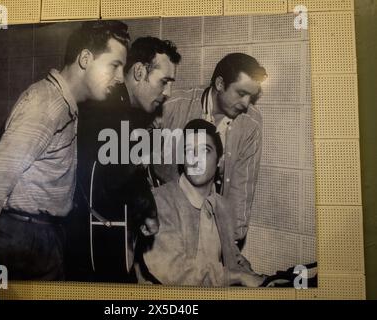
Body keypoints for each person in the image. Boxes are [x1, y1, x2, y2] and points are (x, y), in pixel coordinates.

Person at [0, 20, 130, 280]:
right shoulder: (46, 104)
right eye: (114, 65)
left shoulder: (61, 103)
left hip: (41, 236)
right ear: (85, 59)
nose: (120, 77)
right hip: (24, 239)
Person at [66, 37, 181, 282]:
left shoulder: (115, 106)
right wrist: (149, 210)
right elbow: (119, 173)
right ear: (139, 71)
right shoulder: (113, 108)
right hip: (90, 245)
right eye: (164, 81)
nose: (168, 93)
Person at [153, 53, 267, 248]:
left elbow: (242, 189)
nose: (246, 104)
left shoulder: (251, 124)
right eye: (241, 93)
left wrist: (231, 243)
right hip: (163, 222)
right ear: (220, 84)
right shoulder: (173, 105)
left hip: (210, 232)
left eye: (251, 96)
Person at [136, 119, 265, 287]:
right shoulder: (159, 202)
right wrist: (237, 277)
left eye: (205, 150)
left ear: (220, 161)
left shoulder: (222, 206)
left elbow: (230, 258)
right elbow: (176, 272)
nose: (196, 159)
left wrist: (257, 276)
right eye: (189, 151)